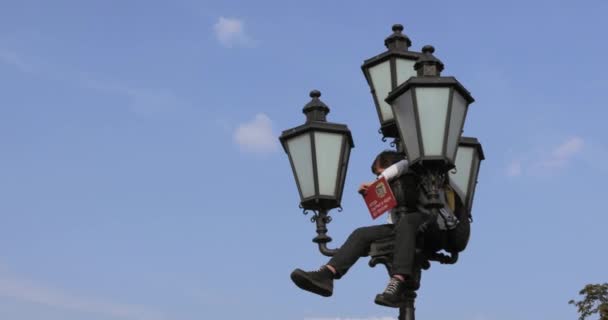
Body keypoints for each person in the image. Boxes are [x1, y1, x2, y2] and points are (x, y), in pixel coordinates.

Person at [291, 150, 432, 308]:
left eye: (380, 172)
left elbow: (404, 164)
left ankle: (398, 282)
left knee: (406, 222)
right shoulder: (395, 188)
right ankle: (327, 275)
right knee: (361, 234)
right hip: (400, 226)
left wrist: (378, 182)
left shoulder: (412, 169)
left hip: (426, 221)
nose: (377, 177)